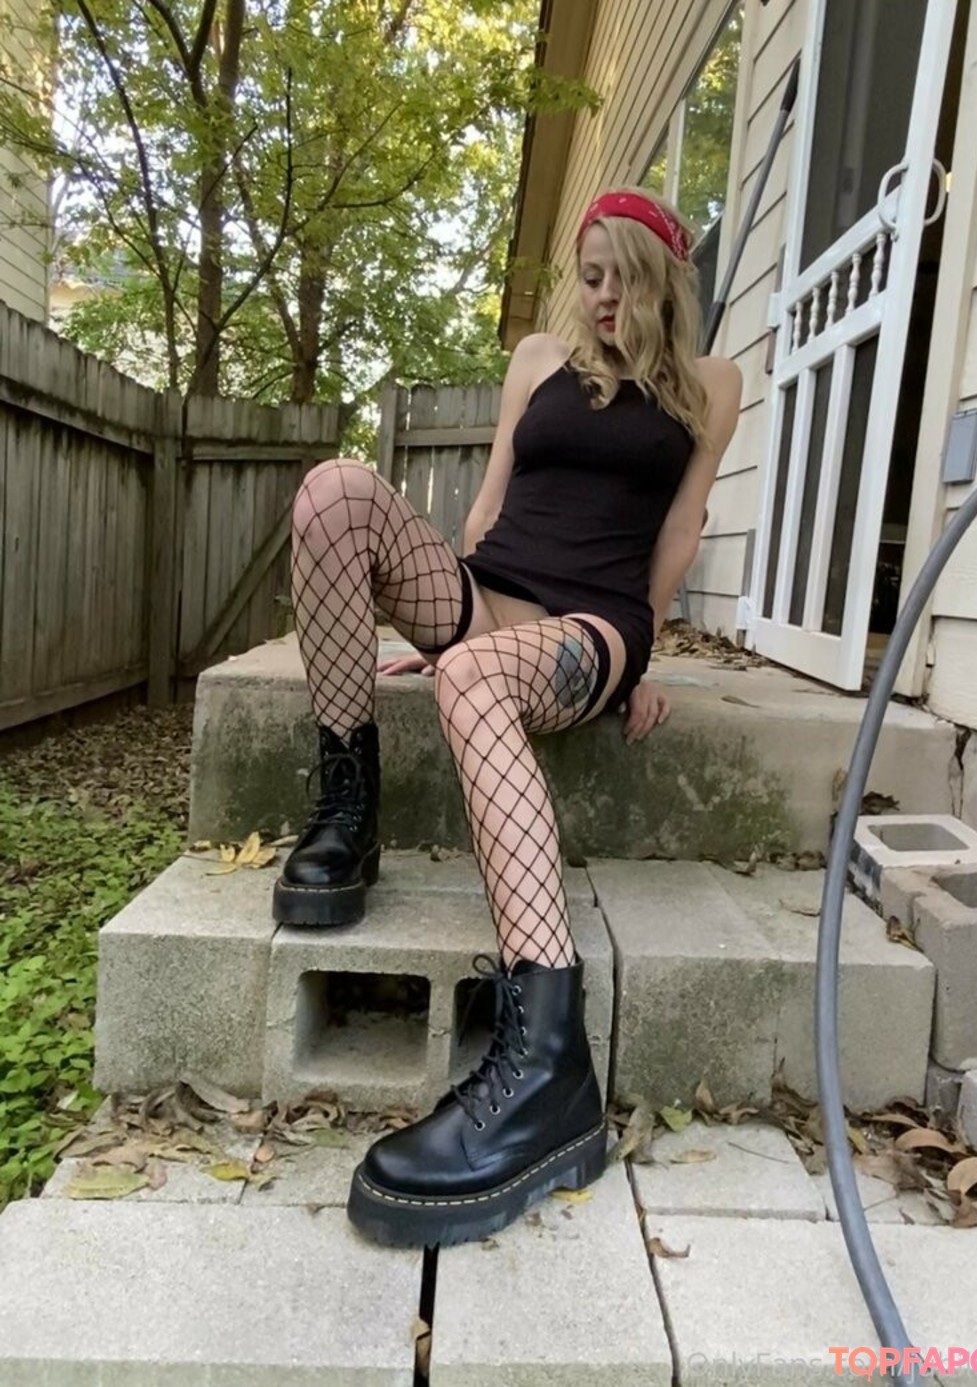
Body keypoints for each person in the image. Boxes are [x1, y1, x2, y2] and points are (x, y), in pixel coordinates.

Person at [273, 187, 741, 1248]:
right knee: (335, 491)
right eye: (589, 274)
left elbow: (679, 530)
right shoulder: (539, 358)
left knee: (477, 678)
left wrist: (643, 658)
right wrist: (444, 615)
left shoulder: (710, 385)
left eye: (621, 276)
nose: (602, 295)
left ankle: (548, 1067)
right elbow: (488, 502)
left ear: (663, 278)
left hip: (592, 627)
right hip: (490, 597)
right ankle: (346, 814)